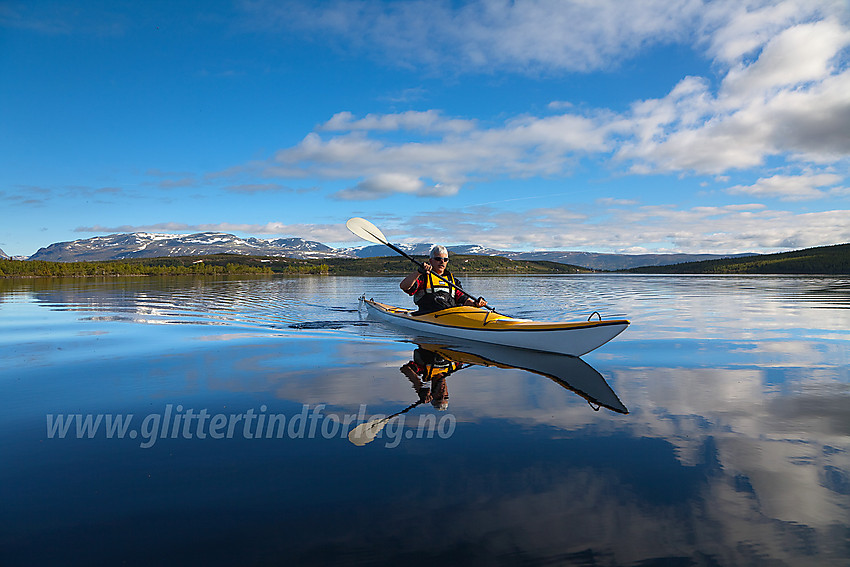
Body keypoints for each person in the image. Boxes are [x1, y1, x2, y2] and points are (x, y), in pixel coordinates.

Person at [399, 245, 487, 314]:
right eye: (438, 259)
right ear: (431, 260)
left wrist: (476, 304)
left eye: (445, 260)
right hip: (427, 315)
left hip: (450, 315)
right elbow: (404, 286)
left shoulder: (453, 281)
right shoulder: (423, 278)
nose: (442, 262)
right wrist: (418, 272)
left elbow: (464, 300)